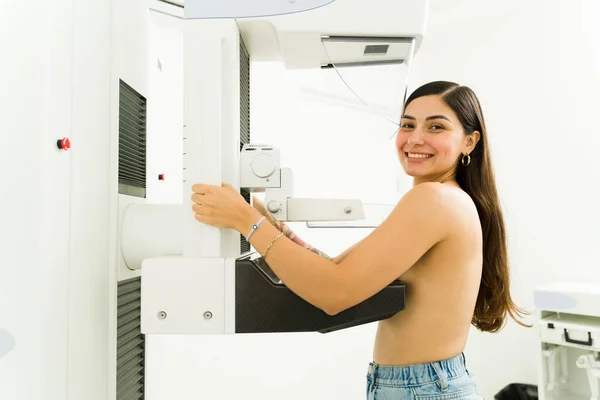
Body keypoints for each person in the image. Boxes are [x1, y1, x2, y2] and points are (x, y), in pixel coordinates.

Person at [190, 81, 529, 399]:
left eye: (436, 127)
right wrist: (267, 222)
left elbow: (334, 293)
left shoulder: (435, 200)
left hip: (421, 389)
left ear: (469, 141)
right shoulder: (445, 198)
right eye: (408, 124)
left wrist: (245, 221)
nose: (415, 138)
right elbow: (334, 268)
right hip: (425, 385)